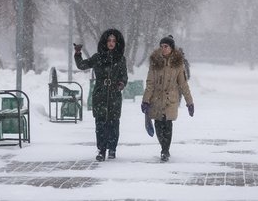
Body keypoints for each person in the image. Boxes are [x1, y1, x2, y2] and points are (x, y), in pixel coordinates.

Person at [74, 28, 128, 161]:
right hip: (100, 94)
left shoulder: (121, 59)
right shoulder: (97, 57)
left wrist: (121, 84)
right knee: (100, 123)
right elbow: (82, 65)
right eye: (109, 40)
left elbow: (124, 76)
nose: (111, 43)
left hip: (114, 95)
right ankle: (101, 150)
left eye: (114, 41)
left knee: (113, 123)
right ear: (105, 42)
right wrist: (78, 53)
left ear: (117, 43)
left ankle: (112, 149)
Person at [141, 35, 194, 162]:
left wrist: (189, 102)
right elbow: (150, 83)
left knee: (168, 124)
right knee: (158, 124)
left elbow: (183, 84)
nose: (163, 49)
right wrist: (145, 100)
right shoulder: (155, 63)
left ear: (171, 48)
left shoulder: (178, 64)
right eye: (161, 46)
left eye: (166, 46)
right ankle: (163, 147)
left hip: (171, 99)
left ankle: (165, 150)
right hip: (157, 99)